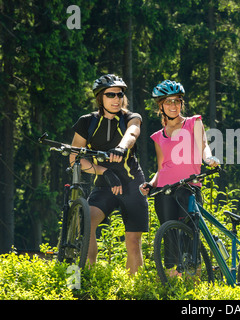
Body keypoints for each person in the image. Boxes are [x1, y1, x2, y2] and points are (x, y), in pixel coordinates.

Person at [70, 74, 148, 275]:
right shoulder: (87, 122)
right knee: (86, 223)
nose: (116, 99)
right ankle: (89, 279)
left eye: (119, 94)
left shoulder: (131, 117)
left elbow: (132, 133)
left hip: (132, 183)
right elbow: (75, 158)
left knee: (133, 240)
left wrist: (121, 148)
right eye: (110, 95)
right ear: (100, 98)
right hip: (104, 185)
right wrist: (103, 171)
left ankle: (133, 291)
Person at [139, 80, 218, 269]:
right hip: (165, 190)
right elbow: (161, 167)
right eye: (168, 102)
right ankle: (172, 286)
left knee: (191, 236)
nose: (173, 105)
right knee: (170, 237)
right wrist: (150, 184)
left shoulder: (193, 122)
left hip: (189, 186)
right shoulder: (158, 136)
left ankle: (194, 287)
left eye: (177, 101)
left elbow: (204, 146)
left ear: (182, 103)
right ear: (161, 106)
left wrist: (209, 159)